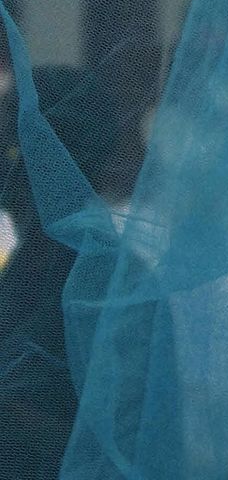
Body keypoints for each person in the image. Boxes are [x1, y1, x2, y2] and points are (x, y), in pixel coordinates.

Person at [0, 66, 121, 480]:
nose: (9, 182)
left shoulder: (113, 286)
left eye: (17, 158)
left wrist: (11, 415)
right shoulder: (24, 265)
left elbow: (121, 446)